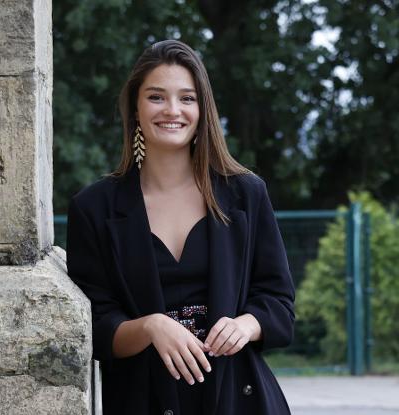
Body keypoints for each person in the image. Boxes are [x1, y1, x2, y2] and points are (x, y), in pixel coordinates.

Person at [66, 39, 295, 415]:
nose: (172, 110)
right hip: (143, 400)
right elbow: (94, 326)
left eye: (187, 98)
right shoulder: (93, 207)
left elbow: (279, 305)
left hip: (239, 398)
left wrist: (247, 325)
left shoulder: (245, 194)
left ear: (203, 110)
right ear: (136, 108)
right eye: (157, 97)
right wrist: (151, 327)